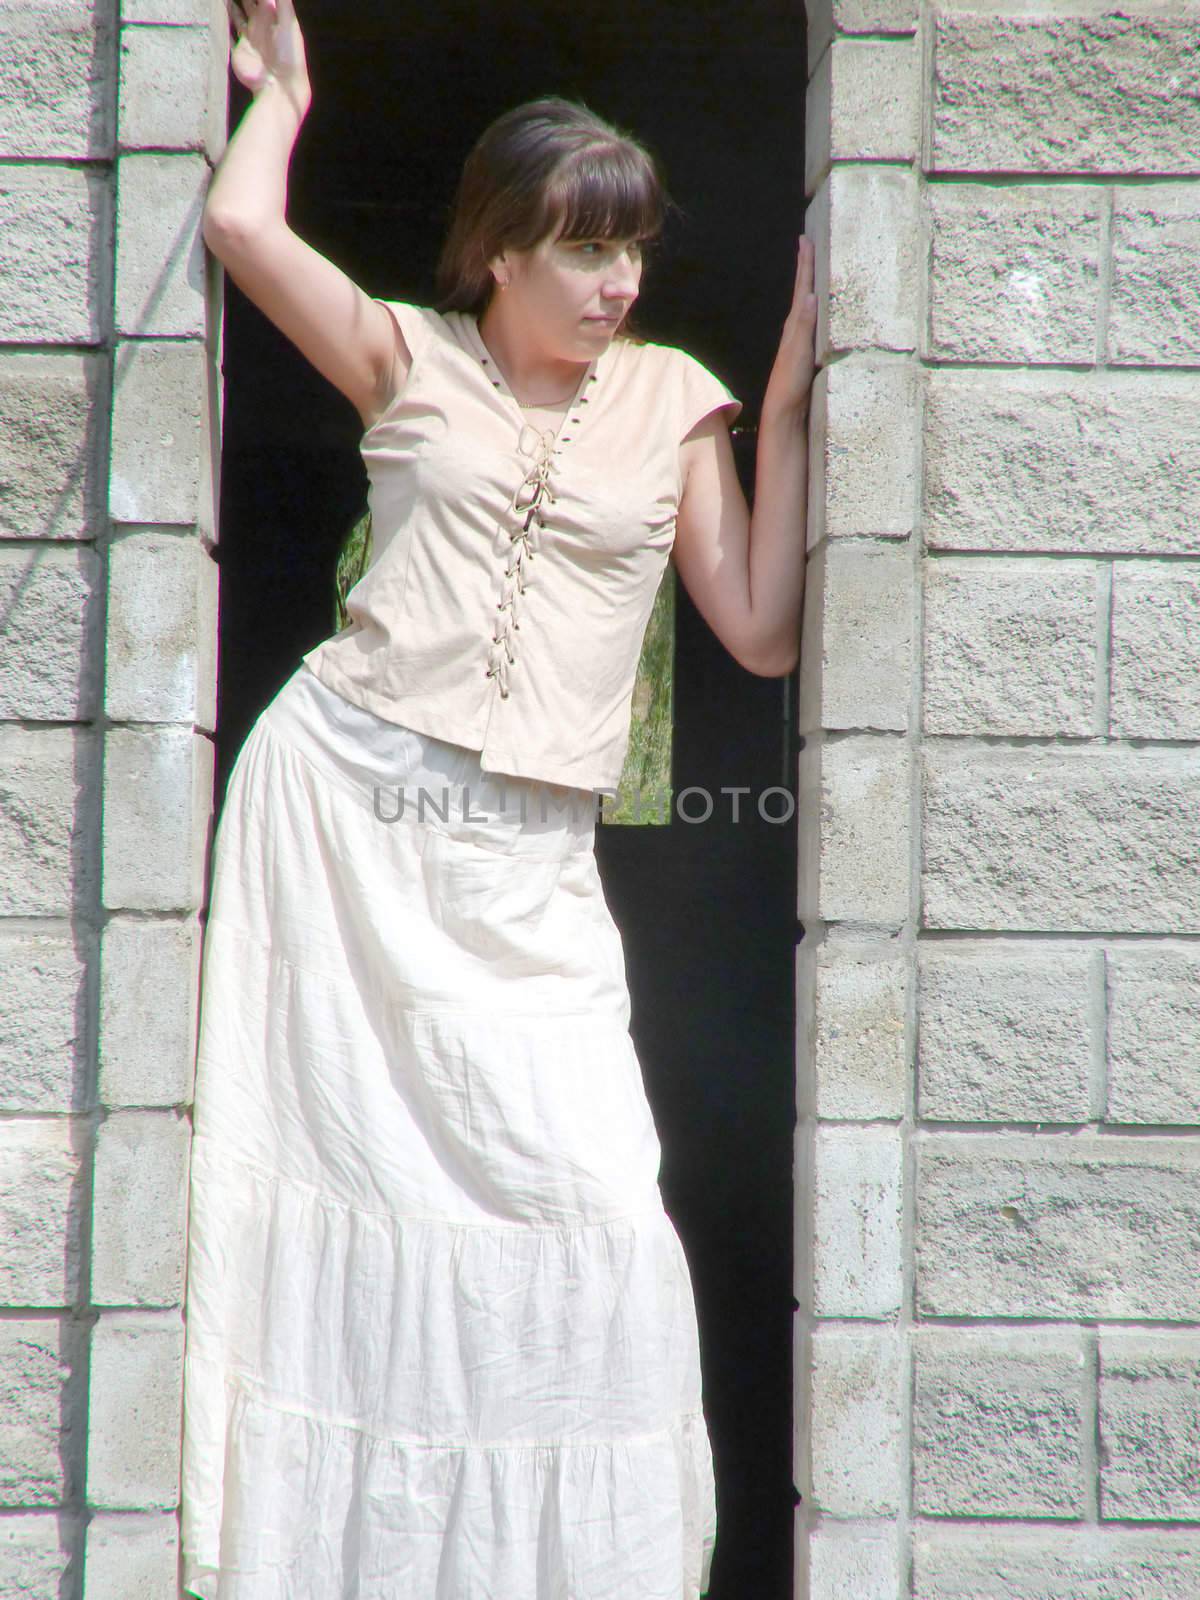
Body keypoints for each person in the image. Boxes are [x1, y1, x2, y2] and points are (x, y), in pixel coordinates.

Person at [179, 0, 816, 1594]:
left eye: (633, 256)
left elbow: (755, 619)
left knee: (594, 1207)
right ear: (501, 254)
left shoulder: (675, 398)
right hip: (348, 814)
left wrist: (794, 401)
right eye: (586, 254)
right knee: (334, 1196)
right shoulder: (411, 353)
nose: (619, 284)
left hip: (527, 869)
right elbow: (244, 227)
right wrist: (288, 99)